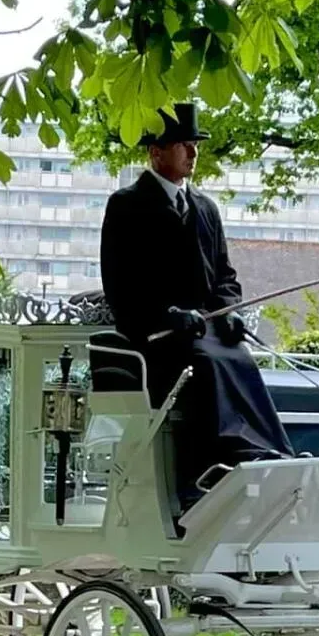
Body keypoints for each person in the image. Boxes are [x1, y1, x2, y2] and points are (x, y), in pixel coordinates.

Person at [98, 103, 292, 505]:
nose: (193, 152)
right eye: (184, 145)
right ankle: (222, 461)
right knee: (205, 363)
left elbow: (226, 276)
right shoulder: (127, 205)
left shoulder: (206, 208)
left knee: (239, 356)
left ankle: (270, 451)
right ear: (156, 152)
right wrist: (168, 314)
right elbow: (121, 284)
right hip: (159, 336)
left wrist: (230, 310)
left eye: (194, 144)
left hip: (208, 330)